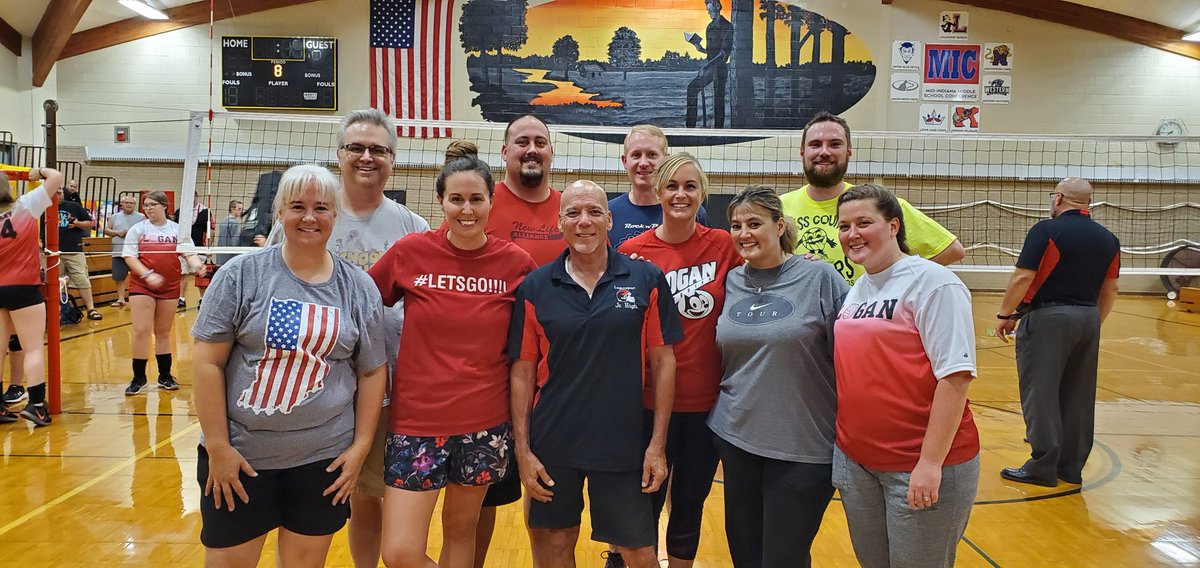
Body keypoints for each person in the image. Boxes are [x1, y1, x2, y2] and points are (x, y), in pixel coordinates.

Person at [192, 163, 388, 567]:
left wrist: (360, 449)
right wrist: (218, 447)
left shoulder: (358, 286)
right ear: (280, 212)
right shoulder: (241, 275)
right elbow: (207, 364)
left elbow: (371, 371)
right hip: (242, 459)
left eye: (322, 208)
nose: (310, 217)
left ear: (336, 215)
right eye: (298, 206)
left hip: (323, 460)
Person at [367, 143, 537, 568]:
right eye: (456, 199)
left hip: (485, 424)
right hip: (416, 422)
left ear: (491, 202)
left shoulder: (515, 263)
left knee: (462, 531)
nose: (466, 209)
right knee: (400, 552)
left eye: (476, 199)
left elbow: (539, 333)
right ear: (440, 200)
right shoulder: (411, 251)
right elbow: (362, 304)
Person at [508, 180, 682, 568]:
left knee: (639, 553)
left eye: (593, 212)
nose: (583, 221)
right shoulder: (536, 286)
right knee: (553, 547)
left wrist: (657, 446)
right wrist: (523, 450)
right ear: (560, 222)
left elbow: (663, 362)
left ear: (609, 219)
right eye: (573, 212)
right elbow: (521, 372)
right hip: (554, 441)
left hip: (622, 442)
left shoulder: (646, 278)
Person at [832, 184, 980, 567]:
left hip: (917, 465)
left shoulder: (933, 283)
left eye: (864, 222)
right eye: (844, 226)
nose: (852, 234)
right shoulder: (857, 290)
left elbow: (955, 378)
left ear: (894, 225)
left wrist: (930, 464)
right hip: (858, 463)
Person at [708, 185, 847, 567]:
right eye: (736, 225)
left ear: (779, 225)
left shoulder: (819, 276)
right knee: (746, 555)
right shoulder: (731, 281)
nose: (744, 233)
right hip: (736, 439)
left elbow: (854, 354)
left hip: (804, 446)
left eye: (754, 223)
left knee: (784, 557)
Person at [318, 109, 430, 568]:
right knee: (324, 498)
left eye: (378, 149)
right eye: (356, 148)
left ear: (393, 159)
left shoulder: (412, 226)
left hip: (387, 384)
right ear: (339, 155)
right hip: (319, 387)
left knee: (372, 492)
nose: (367, 157)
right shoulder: (312, 216)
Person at [617, 154, 739, 568]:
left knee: (689, 506)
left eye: (690, 186)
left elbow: (765, 274)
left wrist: (801, 263)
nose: (681, 194)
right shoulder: (633, 252)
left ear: (703, 192)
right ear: (658, 191)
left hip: (705, 402)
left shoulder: (723, 245)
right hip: (646, 403)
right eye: (672, 186)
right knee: (642, 505)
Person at [472, 113, 568, 568]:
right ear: (505, 152)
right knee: (480, 497)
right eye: (521, 142)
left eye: (541, 142)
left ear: (551, 151)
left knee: (543, 485)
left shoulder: (572, 210)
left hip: (554, 376)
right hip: (486, 372)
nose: (532, 149)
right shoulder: (481, 202)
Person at [995, 177, 1120, 487]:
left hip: (1049, 318)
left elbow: (1023, 277)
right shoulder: (1109, 239)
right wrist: (1093, 322)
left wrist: (1005, 314)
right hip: (1088, 318)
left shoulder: (1046, 231)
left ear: (1059, 198)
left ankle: (1042, 466)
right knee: (1078, 394)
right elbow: (1111, 287)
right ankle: (1070, 467)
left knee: (1042, 392)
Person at [779, 112, 964, 283]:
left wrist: (897, 285)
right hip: (799, 314)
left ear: (848, 151)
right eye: (815, 144)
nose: (825, 151)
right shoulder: (778, 208)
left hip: (861, 315)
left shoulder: (878, 204)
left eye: (835, 144)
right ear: (802, 151)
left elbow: (951, 250)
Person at [121, 190, 205, 395]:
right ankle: (138, 377)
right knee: (141, 330)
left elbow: (189, 253)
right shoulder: (138, 229)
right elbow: (130, 257)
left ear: (164, 206)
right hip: (142, 285)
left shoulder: (178, 230)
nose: (148, 208)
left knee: (163, 332)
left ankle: (165, 375)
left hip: (169, 286)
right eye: (146, 205)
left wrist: (197, 266)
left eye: (152, 205)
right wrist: (147, 274)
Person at [0, 167, 64, 426]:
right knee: (33, 347)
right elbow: (57, 177)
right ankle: (36, 405)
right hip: (23, 286)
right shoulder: (26, 206)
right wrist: (35, 172)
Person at [608, 125, 709, 246]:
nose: (644, 163)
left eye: (652, 155)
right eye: (636, 155)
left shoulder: (691, 210)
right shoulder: (609, 212)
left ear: (666, 160)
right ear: (625, 161)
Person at [57, 182, 102, 320]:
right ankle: (60, 311)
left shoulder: (74, 206)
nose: (58, 195)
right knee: (56, 283)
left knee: (82, 280)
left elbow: (90, 223)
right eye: (55, 192)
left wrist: (77, 223)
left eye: (60, 192)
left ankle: (91, 309)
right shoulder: (43, 208)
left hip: (74, 250)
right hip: (52, 253)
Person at [685, 0, 732, 128]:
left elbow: (723, 55)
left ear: (717, 6)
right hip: (710, 68)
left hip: (720, 68)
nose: (709, 13)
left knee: (718, 100)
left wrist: (705, 67)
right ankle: (690, 127)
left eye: (710, 10)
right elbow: (711, 52)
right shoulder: (709, 27)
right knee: (692, 89)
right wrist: (700, 48)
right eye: (707, 10)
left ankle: (718, 131)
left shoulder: (727, 26)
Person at [104, 194, 145, 307]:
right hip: (118, 251)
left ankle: (137, 298)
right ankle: (121, 299)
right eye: (126, 203)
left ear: (135, 205)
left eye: (131, 203)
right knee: (119, 276)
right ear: (121, 204)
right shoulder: (114, 216)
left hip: (135, 253)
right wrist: (118, 233)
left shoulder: (141, 217)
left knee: (138, 276)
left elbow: (146, 232)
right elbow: (107, 230)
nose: (129, 205)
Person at [174, 201, 211, 307]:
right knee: (183, 274)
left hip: (200, 247)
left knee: (201, 274)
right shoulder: (180, 212)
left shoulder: (205, 212)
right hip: (183, 248)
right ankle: (181, 298)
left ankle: (203, 298)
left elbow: (210, 231)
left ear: (196, 197)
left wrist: (208, 247)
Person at [215, 199, 244, 268]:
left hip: (220, 258)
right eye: (239, 209)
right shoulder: (234, 223)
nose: (241, 211)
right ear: (232, 209)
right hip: (229, 260)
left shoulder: (223, 222)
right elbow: (235, 243)